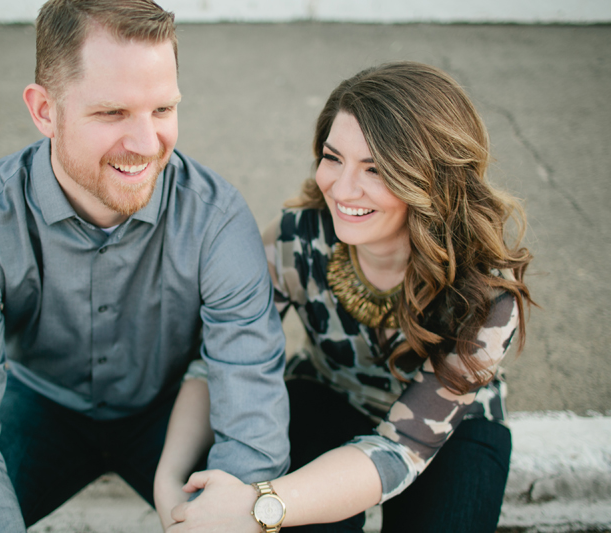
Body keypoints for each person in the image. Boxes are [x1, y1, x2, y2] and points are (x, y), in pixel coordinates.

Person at [0, 1, 290, 531]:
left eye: (162, 110)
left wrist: (232, 510)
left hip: (169, 413)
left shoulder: (218, 219)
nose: (145, 144)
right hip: (38, 406)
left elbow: (252, 413)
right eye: (112, 113)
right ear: (44, 111)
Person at [155, 61, 534, 532]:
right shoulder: (298, 241)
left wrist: (258, 505)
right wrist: (168, 478)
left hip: (451, 430)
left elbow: (402, 448)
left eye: (376, 169)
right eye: (333, 158)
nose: (341, 187)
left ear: (431, 180)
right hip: (327, 396)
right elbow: (216, 360)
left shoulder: (486, 292)